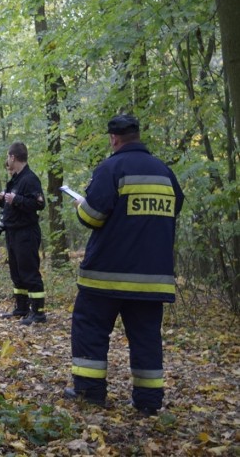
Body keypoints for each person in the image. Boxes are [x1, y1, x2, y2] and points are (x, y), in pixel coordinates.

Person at [64, 114, 184, 415]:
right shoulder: (165, 173)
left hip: (106, 277)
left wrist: (81, 205)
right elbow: (175, 208)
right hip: (152, 278)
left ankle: (90, 393)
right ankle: (148, 401)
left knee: (90, 329)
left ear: (114, 139)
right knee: (146, 338)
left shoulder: (111, 168)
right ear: (138, 136)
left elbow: (92, 217)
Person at [0, 142, 46, 324]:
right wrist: (0, 201)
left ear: (13, 157)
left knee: (29, 271)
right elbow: (11, 203)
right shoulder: (15, 179)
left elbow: (39, 204)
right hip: (12, 232)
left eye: (8, 157)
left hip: (26, 232)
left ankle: (38, 312)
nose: (7, 160)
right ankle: (21, 308)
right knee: (16, 272)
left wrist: (17, 199)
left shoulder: (30, 179)